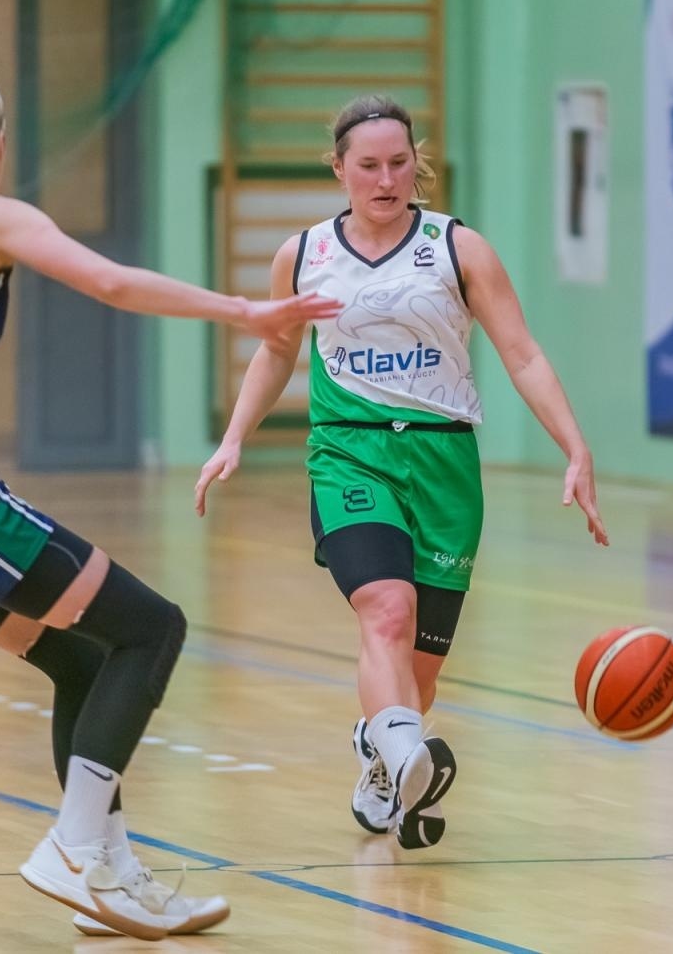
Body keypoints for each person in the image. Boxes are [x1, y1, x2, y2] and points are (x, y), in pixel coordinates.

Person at [0, 70, 339, 940]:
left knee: (79, 661)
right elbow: (109, 282)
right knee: (153, 628)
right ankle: (76, 845)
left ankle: (104, 871)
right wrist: (244, 309)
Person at [196, 95, 608, 846]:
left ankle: (384, 757)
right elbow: (278, 349)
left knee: (418, 671)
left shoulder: (459, 248)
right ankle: (405, 754)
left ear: (415, 162)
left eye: (399, 163)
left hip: (445, 457)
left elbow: (522, 353)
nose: (387, 180)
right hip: (351, 450)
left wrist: (575, 448)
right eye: (368, 166)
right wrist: (233, 438)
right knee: (386, 609)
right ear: (339, 169)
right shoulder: (304, 253)